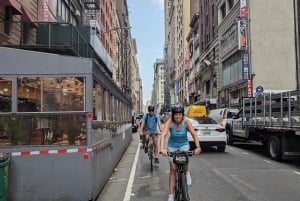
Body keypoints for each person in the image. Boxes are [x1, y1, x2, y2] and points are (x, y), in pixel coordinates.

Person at [160, 104, 201, 201]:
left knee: (184, 160)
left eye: (180, 114)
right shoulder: (169, 122)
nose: (178, 116)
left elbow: (194, 134)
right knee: (173, 169)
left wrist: (198, 147)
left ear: (182, 115)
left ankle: (186, 172)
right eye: (176, 115)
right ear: (173, 115)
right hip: (172, 146)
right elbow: (164, 135)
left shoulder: (186, 122)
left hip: (184, 144)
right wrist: (162, 148)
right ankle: (171, 195)